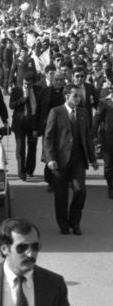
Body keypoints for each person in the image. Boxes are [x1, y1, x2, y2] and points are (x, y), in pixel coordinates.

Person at [43, 84, 99, 235]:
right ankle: (63, 224)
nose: (78, 98)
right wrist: (50, 159)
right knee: (61, 195)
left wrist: (93, 159)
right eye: (75, 95)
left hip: (78, 159)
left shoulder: (83, 113)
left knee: (80, 191)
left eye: (79, 96)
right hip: (60, 160)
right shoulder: (56, 112)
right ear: (66, 96)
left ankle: (75, 221)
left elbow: (87, 137)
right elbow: (48, 138)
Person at [9, 72, 41, 180]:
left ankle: (29, 170)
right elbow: (12, 105)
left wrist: (38, 127)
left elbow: (39, 109)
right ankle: (21, 172)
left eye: (29, 84)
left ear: (33, 83)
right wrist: (23, 98)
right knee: (20, 148)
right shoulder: (16, 90)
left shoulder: (38, 90)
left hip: (32, 123)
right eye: (25, 84)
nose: (27, 86)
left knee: (32, 148)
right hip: (20, 124)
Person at [92, 73, 113, 199]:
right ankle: (110, 186)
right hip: (108, 139)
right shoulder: (104, 103)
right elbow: (96, 121)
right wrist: (94, 137)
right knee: (109, 165)